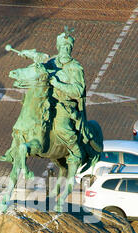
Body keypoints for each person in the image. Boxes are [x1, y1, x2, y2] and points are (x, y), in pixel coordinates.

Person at [44, 28, 93, 163]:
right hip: (48, 102)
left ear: (71, 49)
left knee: (62, 128)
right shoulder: (51, 63)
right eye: (62, 46)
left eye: (67, 47)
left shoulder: (75, 67)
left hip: (64, 105)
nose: (65, 49)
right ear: (58, 47)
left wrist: (58, 84)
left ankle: (76, 154)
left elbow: (78, 91)